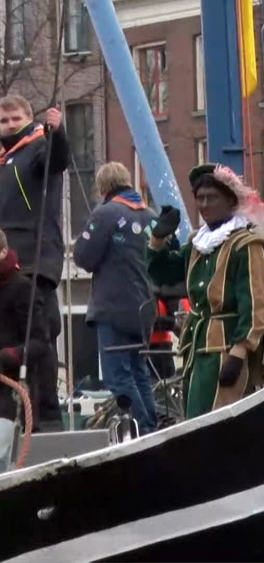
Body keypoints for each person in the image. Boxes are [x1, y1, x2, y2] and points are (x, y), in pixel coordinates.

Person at [146, 163, 264, 419]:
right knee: (195, 420)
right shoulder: (198, 244)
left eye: (211, 197)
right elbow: (164, 275)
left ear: (229, 201)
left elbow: (255, 303)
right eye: (199, 198)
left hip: (229, 350)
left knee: (223, 423)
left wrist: (239, 352)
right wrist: (158, 239)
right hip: (197, 351)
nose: (203, 204)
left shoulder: (247, 244)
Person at [72, 162, 159, 434]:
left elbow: (83, 257)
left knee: (118, 376)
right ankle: (153, 427)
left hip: (112, 306)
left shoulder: (106, 214)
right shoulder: (150, 215)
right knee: (139, 372)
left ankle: (142, 431)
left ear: (102, 187)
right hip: (144, 307)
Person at [0, 95, 68, 429]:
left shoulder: (39, 148)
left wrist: (57, 132)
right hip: (5, 268)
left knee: (38, 341)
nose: (9, 126)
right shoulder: (3, 160)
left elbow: (57, 160)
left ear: (29, 118)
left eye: (15, 119)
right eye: (3, 121)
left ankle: (45, 423)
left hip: (33, 262)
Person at [0, 229, 47, 471]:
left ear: (3, 252)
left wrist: (8, 356)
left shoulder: (23, 289)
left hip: (10, 394)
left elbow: (40, 342)